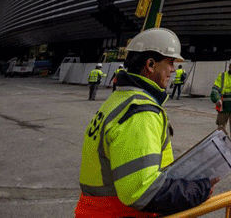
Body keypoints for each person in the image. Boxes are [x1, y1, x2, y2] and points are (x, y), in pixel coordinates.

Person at [76, 28, 215, 217]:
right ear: (150, 64)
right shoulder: (140, 111)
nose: (173, 69)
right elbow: (141, 191)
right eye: (170, 62)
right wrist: (198, 189)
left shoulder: (119, 99)